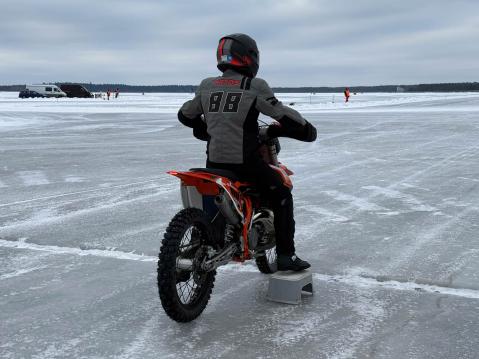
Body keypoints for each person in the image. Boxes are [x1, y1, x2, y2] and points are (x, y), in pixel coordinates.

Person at [178, 33, 317, 271]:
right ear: (249, 57)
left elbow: (185, 115)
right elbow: (280, 112)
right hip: (245, 165)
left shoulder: (207, 85)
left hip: (214, 164)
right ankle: (286, 255)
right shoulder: (253, 86)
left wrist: (208, 130)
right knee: (282, 192)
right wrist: (305, 129)